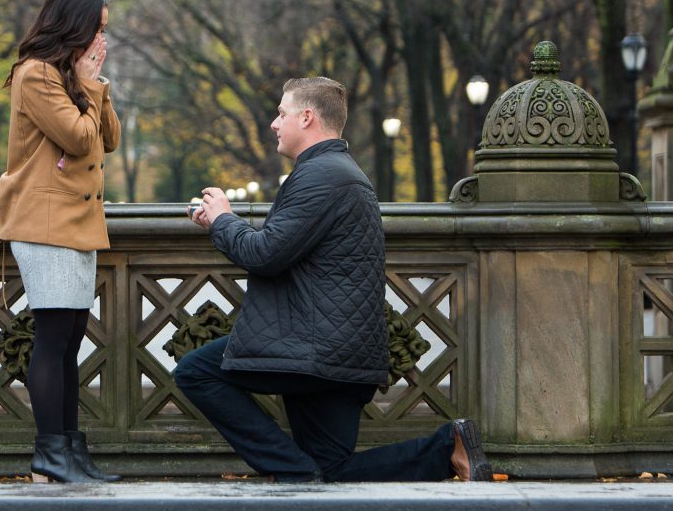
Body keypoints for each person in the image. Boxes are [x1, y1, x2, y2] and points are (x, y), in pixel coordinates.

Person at [178, 77, 491, 483]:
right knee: (333, 470)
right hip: (339, 348)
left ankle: (295, 472)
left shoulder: (321, 176)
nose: (274, 123)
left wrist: (222, 218)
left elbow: (264, 254)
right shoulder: (337, 171)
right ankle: (448, 449)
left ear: (307, 117)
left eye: (282, 113)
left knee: (196, 371)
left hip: (312, 349)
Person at [0, 0, 121, 484]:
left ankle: (69, 450)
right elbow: (78, 137)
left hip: (76, 223)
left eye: (105, 30)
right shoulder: (36, 75)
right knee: (53, 338)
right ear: (73, 26)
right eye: (97, 29)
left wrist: (95, 82)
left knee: (70, 342)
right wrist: (87, 85)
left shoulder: (72, 77)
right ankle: (49, 456)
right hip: (44, 223)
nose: (102, 40)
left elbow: (109, 138)